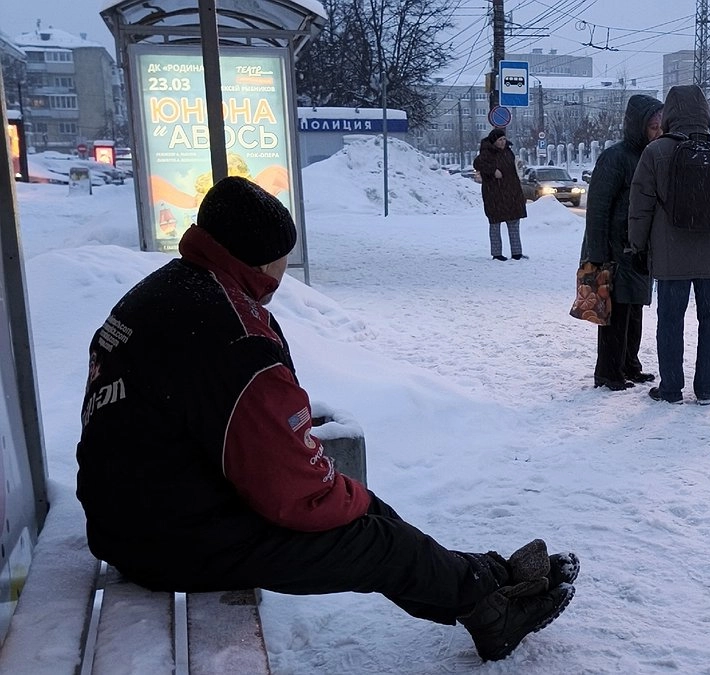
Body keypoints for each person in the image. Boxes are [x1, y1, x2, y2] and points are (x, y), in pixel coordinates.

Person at [75, 176, 576, 662]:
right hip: (171, 539)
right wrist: (348, 496)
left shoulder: (169, 289)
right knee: (377, 542)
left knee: (368, 516)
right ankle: (490, 607)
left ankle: (484, 585)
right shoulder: (236, 338)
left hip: (138, 516)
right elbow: (299, 496)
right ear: (265, 260)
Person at [627, 84, 710, 405]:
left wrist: (637, 247)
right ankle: (707, 388)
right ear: (705, 112)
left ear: (669, 114)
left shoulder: (655, 152)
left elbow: (639, 206)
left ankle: (670, 388)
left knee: (670, 320)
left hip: (670, 256)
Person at [582, 94, 664, 391]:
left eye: (660, 126)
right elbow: (598, 208)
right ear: (638, 125)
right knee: (614, 315)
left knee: (635, 310)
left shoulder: (651, 155)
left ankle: (630, 365)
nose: (657, 132)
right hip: (614, 250)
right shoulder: (615, 157)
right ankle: (608, 372)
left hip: (638, 249)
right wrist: (598, 253)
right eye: (653, 126)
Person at [473, 128, 527, 261]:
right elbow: (477, 163)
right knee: (495, 224)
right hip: (494, 195)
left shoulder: (508, 152)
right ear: (494, 141)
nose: (503, 142)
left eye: (504, 139)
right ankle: (497, 254)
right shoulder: (487, 153)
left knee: (514, 223)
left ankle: (517, 253)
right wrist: (492, 171)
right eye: (499, 140)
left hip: (511, 192)